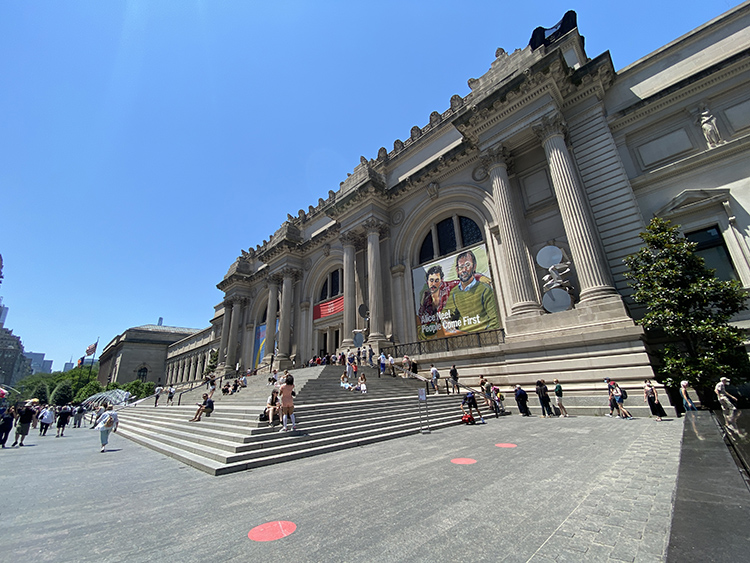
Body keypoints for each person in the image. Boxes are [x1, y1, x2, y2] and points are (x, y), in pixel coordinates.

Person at [447, 250, 500, 333]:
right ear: (457, 270)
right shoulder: (454, 292)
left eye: (467, 265)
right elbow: (446, 314)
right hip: (462, 338)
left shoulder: (485, 289)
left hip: (484, 336)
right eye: (461, 267)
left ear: (474, 267)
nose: (464, 270)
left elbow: (494, 320)